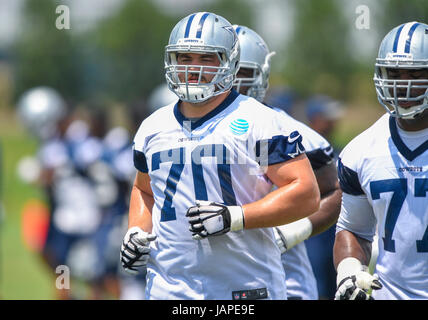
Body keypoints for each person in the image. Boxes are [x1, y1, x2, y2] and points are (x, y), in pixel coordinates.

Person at [120, 12, 320, 300]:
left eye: (206, 58)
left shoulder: (258, 120)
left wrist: (236, 217)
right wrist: (136, 231)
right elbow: (144, 189)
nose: (193, 68)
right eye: (184, 58)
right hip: (170, 290)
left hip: (244, 288)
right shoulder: (153, 127)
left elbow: (305, 192)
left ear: (229, 61)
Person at [233, 25, 342, 300]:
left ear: (261, 75)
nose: (229, 82)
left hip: (284, 281)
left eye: (239, 73)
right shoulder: (184, 130)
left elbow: (334, 190)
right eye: (223, 71)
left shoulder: (282, 127)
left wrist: (293, 231)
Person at [334, 21, 428, 300]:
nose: (403, 85)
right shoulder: (360, 151)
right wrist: (349, 271)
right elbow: (353, 229)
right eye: (394, 73)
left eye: (415, 74)